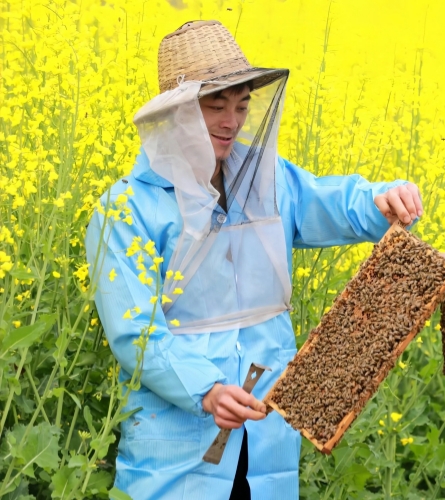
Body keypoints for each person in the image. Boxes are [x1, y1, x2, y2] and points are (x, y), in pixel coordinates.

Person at [86, 20, 422, 499]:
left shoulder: (267, 178)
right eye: (216, 106)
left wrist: (380, 200)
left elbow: (326, 200)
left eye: (242, 106)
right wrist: (206, 389)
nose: (233, 122)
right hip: (178, 448)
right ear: (178, 113)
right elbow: (136, 332)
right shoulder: (125, 209)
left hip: (266, 435)